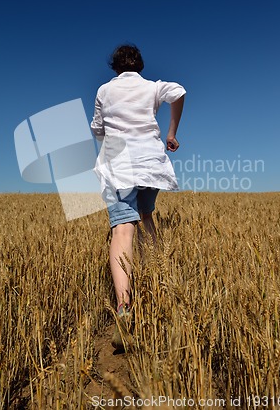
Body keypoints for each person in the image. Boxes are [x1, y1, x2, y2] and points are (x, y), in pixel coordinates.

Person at [90, 44, 186, 349]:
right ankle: (160, 273)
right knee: (147, 217)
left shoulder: (105, 91)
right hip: (151, 164)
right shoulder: (153, 88)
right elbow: (180, 92)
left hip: (120, 166)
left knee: (122, 227)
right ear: (139, 65)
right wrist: (171, 132)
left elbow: (97, 129)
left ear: (115, 66)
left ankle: (124, 306)